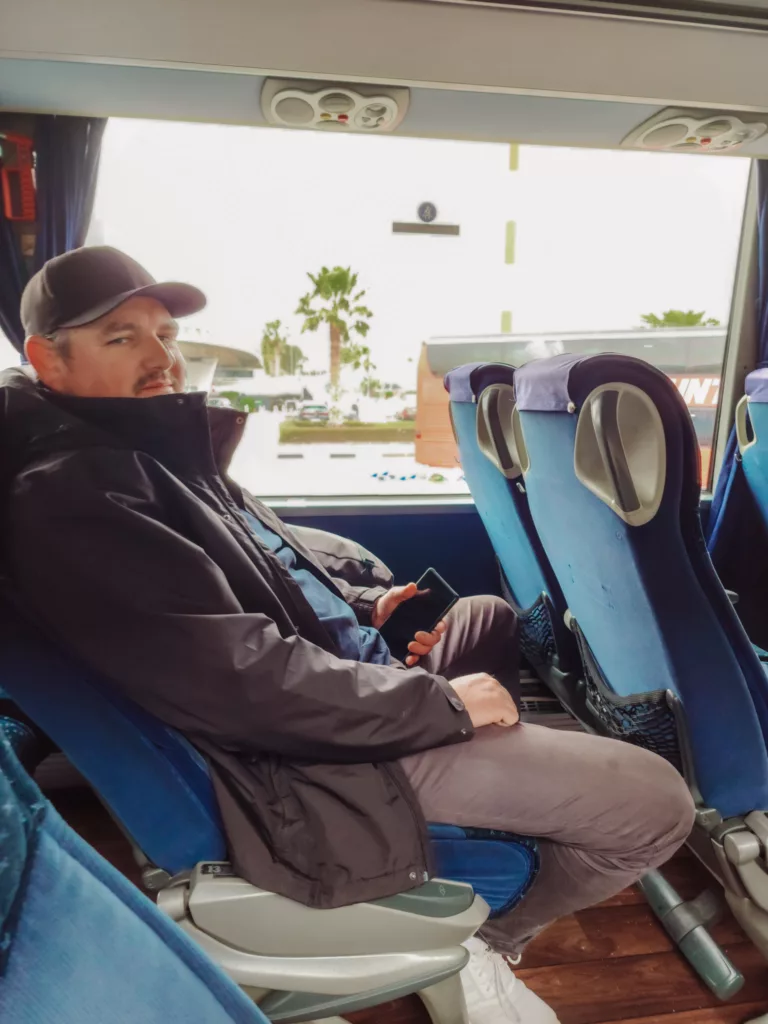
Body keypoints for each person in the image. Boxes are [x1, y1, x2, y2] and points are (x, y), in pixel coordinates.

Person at [3, 247, 695, 1024]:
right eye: (121, 337)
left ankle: (507, 780)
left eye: (164, 333)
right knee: (657, 803)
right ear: (45, 358)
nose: (160, 355)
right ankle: (492, 941)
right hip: (301, 755)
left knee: (484, 617)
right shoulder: (75, 495)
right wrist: (441, 708)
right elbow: (244, 681)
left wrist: (363, 606)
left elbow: (258, 570)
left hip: (330, 696)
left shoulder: (142, 453)